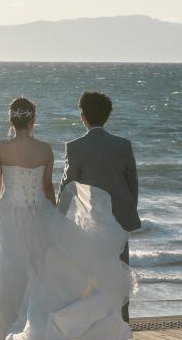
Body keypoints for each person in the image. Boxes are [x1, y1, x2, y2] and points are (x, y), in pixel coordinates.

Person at [0, 97, 133, 340]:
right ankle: (36, 328)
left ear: (11, 120)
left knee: (7, 272)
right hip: (39, 213)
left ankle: (4, 333)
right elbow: (48, 190)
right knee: (39, 271)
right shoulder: (45, 149)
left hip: (8, 215)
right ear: (33, 119)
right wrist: (57, 221)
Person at [59, 90, 140, 323]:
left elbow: (67, 186)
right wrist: (127, 213)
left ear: (82, 115)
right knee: (120, 269)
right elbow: (132, 183)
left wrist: (58, 217)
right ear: (108, 115)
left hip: (90, 218)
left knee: (87, 270)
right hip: (119, 219)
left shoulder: (75, 147)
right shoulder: (123, 145)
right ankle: (122, 321)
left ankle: (92, 320)